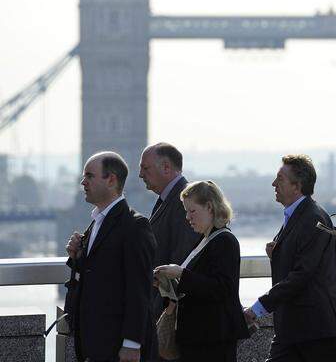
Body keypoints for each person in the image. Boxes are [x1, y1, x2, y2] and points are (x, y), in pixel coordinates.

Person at [243, 154, 336, 362]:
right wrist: (278, 254)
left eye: (280, 179)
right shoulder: (299, 214)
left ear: (297, 186)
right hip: (295, 328)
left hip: (315, 328)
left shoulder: (312, 217)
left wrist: (257, 308)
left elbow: (303, 274)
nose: (274, 184)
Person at [65, 151, 156, 362]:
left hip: (118, 346)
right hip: (95, 343)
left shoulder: (135, 226)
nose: (82, 182)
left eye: (89, 176)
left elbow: (139, 289)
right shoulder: (96, 223)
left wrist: (132, 344)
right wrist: (77, 258)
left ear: (111, 180)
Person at [153, 180, 249, 361]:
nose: (187, 217)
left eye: (192, 211)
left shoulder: (224, 241)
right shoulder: (205, 240)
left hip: (212, 339)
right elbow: (197, 286)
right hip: (198, 337)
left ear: (210, 207)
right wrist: (167, 284)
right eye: (186, 211)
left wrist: (181, 274)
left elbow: (222, 288)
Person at [139, 142, 200, 360]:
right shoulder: (168, 199)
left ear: (166, 167)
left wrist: (158, 311)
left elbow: (179, 261)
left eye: (145, 169)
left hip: (170, 317)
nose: (140, 175)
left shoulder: (183, 202)